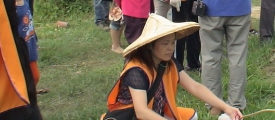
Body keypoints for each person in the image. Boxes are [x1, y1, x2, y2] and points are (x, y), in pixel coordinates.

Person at [102, 14, 243, 120]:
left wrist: (226, 107)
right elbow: (141, 112)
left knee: (192, 116)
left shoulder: (169, 62)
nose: (170, 48)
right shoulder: (136, 71)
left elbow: (195, 86)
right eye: (165, 44)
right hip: (132, 117)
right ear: (151, 46)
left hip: (155, 113)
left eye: (172, 43)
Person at [6, 0, 39, 86]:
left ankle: (30, 95)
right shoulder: (10, 8)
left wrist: (35, 38)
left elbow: (29, 21)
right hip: (20, 47)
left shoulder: (25, 0)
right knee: (26, 76)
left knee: (34, 76)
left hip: (30, 42)